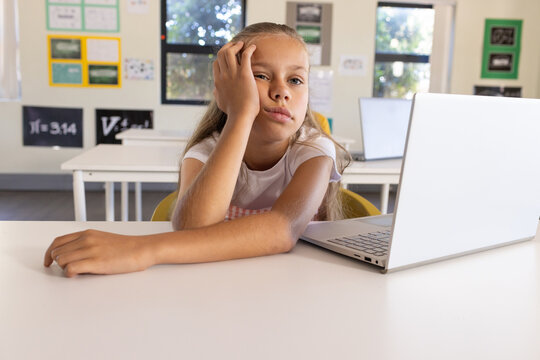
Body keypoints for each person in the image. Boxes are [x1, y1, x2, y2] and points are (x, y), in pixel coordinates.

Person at [43, 22, 350, 277]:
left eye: (296, 80)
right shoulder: (206, 150)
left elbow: (282, 229)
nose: (282, 91)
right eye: (261, 75)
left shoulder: (314, 149)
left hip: (297, 284)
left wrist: (144, 249)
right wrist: (241, 113)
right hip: (215, 282)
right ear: (228, 86)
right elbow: (193, 227)